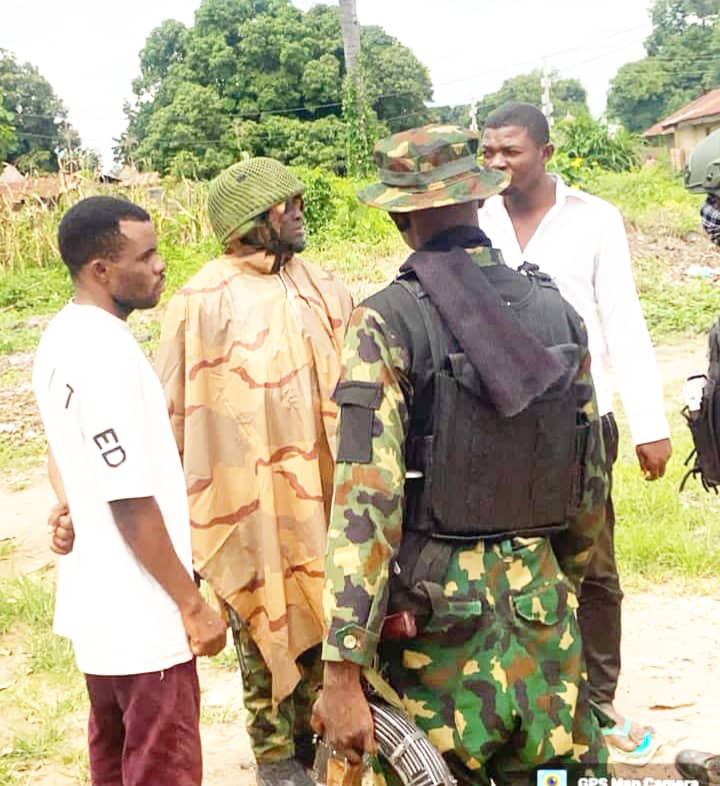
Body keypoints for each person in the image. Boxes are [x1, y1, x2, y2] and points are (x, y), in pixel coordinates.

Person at [311, 124, 609, 786]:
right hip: (544, 619)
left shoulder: (384, 321)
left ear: (399, 217)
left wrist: (341, 668)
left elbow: (366, 500)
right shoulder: (557, 311)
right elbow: (590, 476)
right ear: (479, 198)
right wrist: (551, 578)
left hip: (437, 637)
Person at [478, 102, 671, 763]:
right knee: (508, 565)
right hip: (501, 423)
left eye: (511, 151)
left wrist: (649, 425)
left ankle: (598, 703)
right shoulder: (475, 218)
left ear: (546, 152)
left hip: (583, 423)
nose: (497, 162)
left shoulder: (595, 219)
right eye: (488, 152)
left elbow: (623, 321)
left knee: (593, 568)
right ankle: (527, 698)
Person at [154, 158, 353, 786]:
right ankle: (274, 757)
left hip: (326, 496)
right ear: (250, 222)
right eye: (284, 205)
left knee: (334, 621)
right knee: (261, 626)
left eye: (297, 200)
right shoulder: (199, 303)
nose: (297, 213)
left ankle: (323, 740)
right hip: (246, 506)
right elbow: (171, 414)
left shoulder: (323, 286)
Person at [33, 196, 227, 786]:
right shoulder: (104, 356)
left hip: (101, 619)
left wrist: (72, 503)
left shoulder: (61, 337)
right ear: (101, 270)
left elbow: (62, 450)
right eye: (144, 257)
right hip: (145, 618)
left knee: (116, 764)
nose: (161, 265)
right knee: (162, 768)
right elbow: (130, 500)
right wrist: (191, 604)